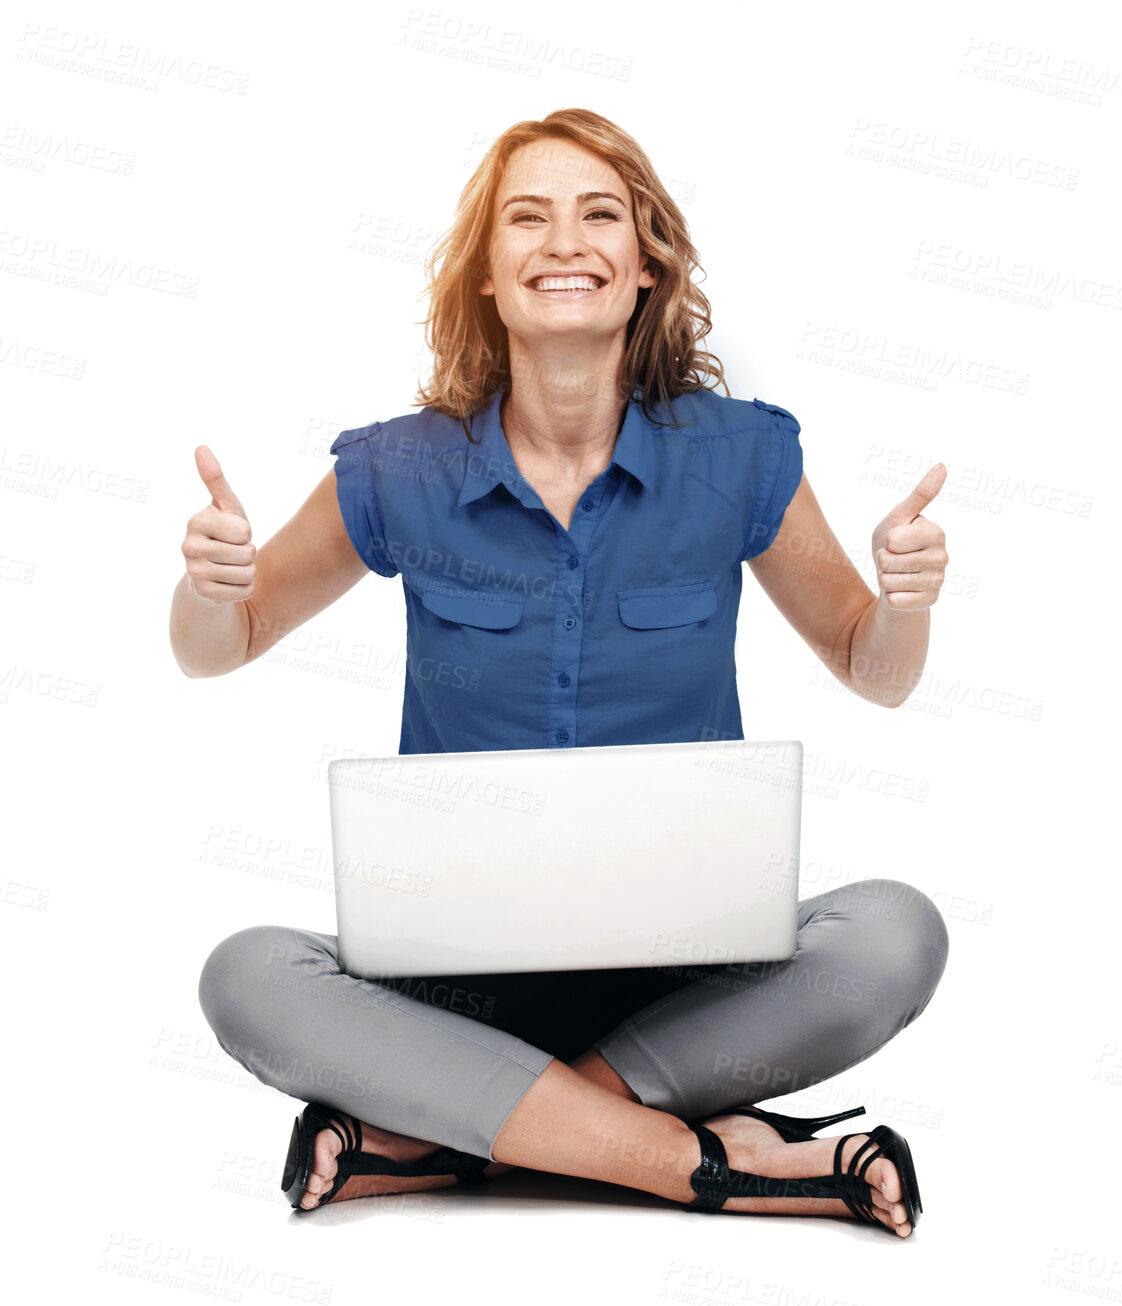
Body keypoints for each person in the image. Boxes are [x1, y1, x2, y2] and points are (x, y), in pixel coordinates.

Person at [175, 110, 951, 1238]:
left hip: (683, 991)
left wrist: (906, 607)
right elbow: (221, 644)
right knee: (244, 974)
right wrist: (208, 587)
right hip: (455, 999)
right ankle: (719, 1163)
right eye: (525, 218)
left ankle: (458, 1139)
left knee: (896, 931)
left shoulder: (738, 458)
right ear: (486, 274)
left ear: (646, 266)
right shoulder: (398, 470)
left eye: (600, 214)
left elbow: (869, 669)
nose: (563, 240)